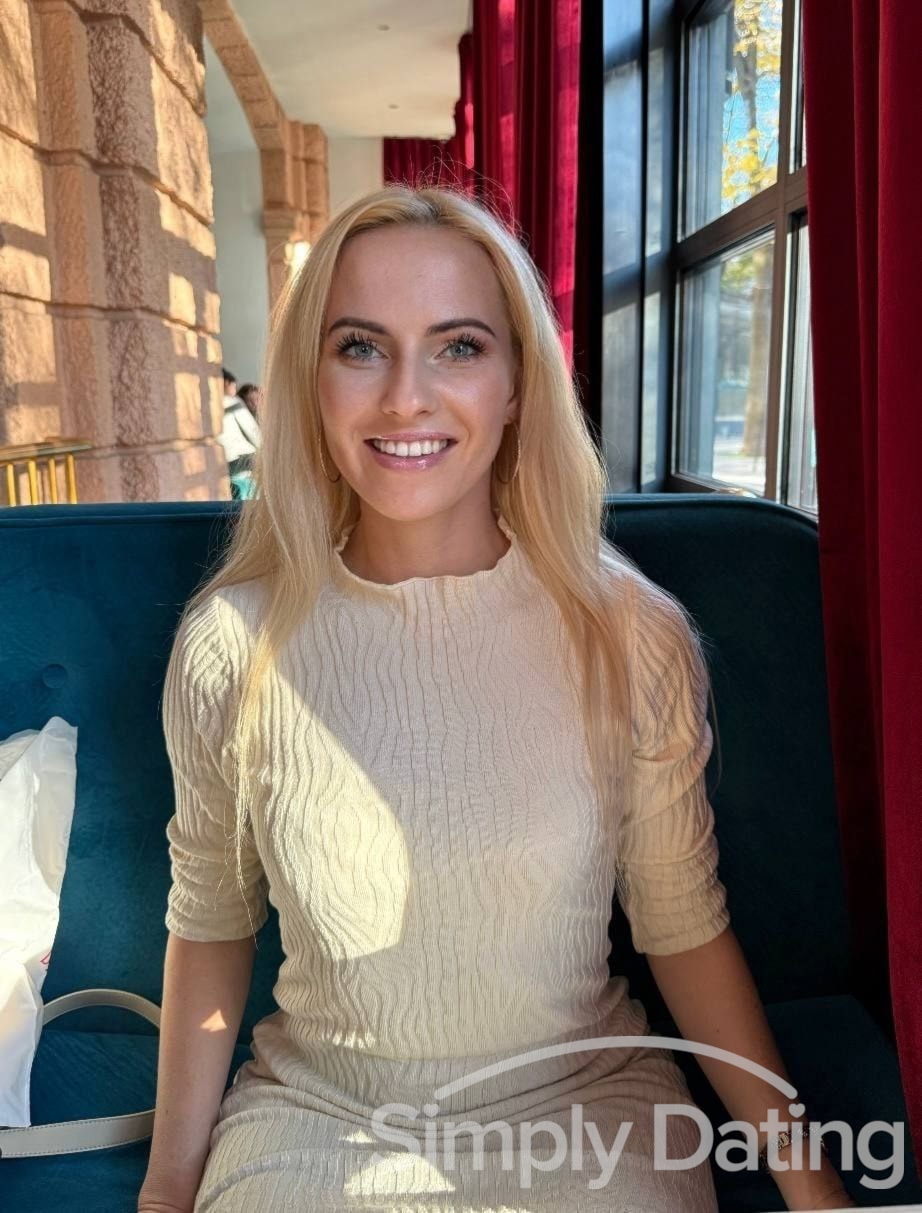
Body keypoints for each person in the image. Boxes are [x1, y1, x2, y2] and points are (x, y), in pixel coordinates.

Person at [140, 187, 855, 1212]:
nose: (406, 397)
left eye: (459, 347)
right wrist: (167, 1191)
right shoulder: (230, 645)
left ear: (518, 383)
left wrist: (811, 1186)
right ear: (309, 378)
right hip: (318, 1117)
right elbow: (210, 920)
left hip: (584, 1109)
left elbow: (684, 925)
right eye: (360, 347)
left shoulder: (628, 632)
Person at [218, 368, 261, 500]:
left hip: (226, 466)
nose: (234, 391)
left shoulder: (205, 407)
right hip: (245, 461)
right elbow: (254, 433)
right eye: (234, 386)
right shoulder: (232, 402)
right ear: (226, 383)